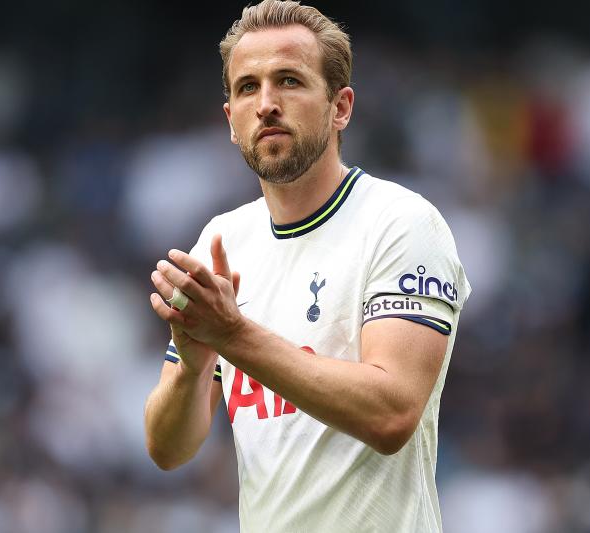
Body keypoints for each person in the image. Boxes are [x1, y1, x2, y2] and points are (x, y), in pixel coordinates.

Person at [144, 1, 471, 531]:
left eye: (289, 81)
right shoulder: (220, 242)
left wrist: (232, 335)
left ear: (340, 108)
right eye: (247, 87)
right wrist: (194, 364)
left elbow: (391, 414)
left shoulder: (400, 223)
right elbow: (168, 450)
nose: (267, 103)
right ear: (231, 121)